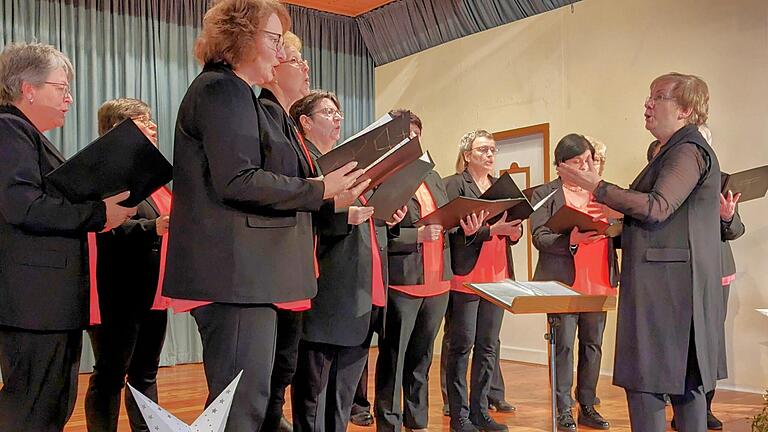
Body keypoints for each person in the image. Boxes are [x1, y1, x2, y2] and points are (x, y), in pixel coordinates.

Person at [161, 2, 364, 430]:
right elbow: (238, 180)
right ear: (241, 38)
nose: (279, 51)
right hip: (235, 278)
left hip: (247, 276)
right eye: (273, 40)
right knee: (240, 409)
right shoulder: (222, 89)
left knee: (249, 403)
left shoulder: (234, 93)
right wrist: (320, 188)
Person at [557, 72, 722, 432]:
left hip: (665, 293)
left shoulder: (688, 150)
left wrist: (598, 187)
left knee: (651, 388)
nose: (647, 104)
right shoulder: (674, 151)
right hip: (670, 290)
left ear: (685, 110)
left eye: (658, 97)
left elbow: (658, 206)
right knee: (684, 389)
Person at [0, 42, 136, 431]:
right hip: (33, 302)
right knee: (32, 407)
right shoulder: (9, 128)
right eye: (61, 88)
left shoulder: (23, 133)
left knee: (50, 404)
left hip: (45, 302)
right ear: (28, 88)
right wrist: (96, 213)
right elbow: (23, 205)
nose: (69, 98)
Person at [289, 91, 406, 432]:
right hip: (328, 293)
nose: (338, 117)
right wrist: (343, 217)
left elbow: (364, 219)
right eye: (328, 112)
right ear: (305, 122)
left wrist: (387, 216)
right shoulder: (304, 164)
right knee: (315, 393)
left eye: (339, 112)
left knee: (342, 394)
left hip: (362, 292)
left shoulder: (349, 167)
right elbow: (298, 223)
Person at [374, 110, 483, 432]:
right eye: (407, 135)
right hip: (404, 281)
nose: (414, 141)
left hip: (438, 279)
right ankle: (389, 422)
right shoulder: (384, 176)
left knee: (422, 358)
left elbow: (446, 221)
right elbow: (378, 231)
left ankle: (417, 421)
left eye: (417, 134)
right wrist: (415, 235)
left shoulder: (432, 175)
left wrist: (468, 226)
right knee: (394, 359)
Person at [83, 98, 170, 432]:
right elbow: (100, 226)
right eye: (142, 120)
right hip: (115, 289)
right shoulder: (102, 171)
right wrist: (153, 227)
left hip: (152, 289)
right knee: (110, 372)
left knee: (145, 371)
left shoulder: (152, 176)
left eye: (150, 119)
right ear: (119, 129)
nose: (152, 125)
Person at [651, 126, 745, 431]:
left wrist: (727, 215)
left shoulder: (720, 182)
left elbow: (735, 230)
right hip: (678, 272)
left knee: (710, 343)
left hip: (716, 271)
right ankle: (677, 405)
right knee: (678, 341)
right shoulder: (669, 182)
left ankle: (704, 408)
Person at [530, 134, 618, 431]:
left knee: (592, 346)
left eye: (588, 160)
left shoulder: (604, 192)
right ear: (560, 166)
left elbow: (619, 227)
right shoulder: (545, 193)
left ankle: (588, 405)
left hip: (599, 279)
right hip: (563, 283)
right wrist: (571, 240)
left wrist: (613, 229)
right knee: (564, 346)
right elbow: (539, 237)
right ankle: (563, 408)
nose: (585, 166)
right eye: (578, 161)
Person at [443, 130, 523, 432]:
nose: (490, 155)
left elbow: (511, 227)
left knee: (488, 347)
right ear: (467, 155)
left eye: (493, 150)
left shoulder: (502, 187)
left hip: (498, 275)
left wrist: (513, 233)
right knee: (461, 347)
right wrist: (490, 231)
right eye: (483, 150)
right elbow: (450, 232)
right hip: (467, 276)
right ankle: (459, 415)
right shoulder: (453, 185)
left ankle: (480, 411)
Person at [258, 30, 312, 432]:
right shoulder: (262, 113)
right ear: (274, 67)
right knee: (265, 375)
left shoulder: (286, 121)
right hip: (269, 266)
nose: (305, 67)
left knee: (283, 369)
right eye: (296, 60)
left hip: (292, 265)